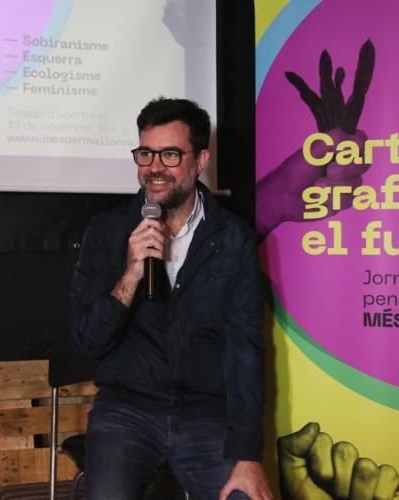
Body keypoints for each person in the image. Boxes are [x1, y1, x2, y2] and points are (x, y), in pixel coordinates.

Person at [71, 97, 272, 500]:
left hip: (206, 414)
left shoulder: (233, 239)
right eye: (146, 153)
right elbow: (87, 342)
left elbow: (245, 350)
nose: (155, 167)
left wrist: (249, 455)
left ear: (200, 161)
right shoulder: (108, 231)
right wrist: (130, 274)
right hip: (127, 410)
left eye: (170, 155)